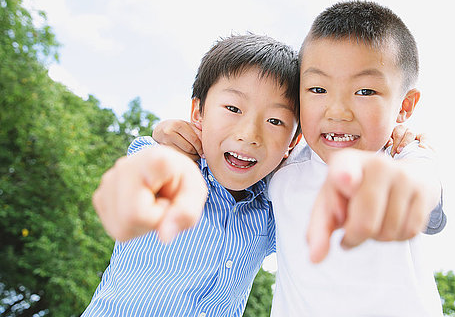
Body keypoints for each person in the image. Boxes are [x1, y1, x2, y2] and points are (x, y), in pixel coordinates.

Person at [148, 1, 446, 316]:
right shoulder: (282, 172)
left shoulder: (402, 155)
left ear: (405, 106)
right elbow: (230, 159)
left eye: (365, 92)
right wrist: (174, 133)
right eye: (318, 89)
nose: (338, 111)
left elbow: (424, 191)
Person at [83, 34, 302, 316]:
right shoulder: (168, 163)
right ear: (198, 113)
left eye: (275, 121)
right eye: (233, 109)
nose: (249, 135)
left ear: (292, 143)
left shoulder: (274, 211)